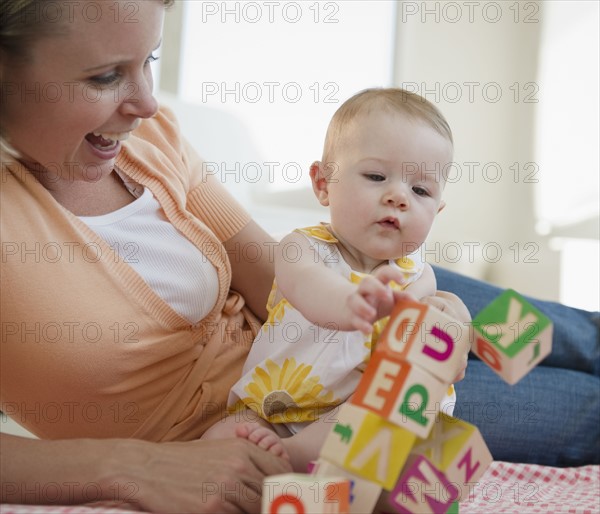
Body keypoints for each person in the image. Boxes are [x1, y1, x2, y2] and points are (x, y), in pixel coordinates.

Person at [0, 1, 472, 512]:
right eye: (106, 76)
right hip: (270, 404)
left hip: (334, 327)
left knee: (535, 332)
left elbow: (273, 273)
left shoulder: (149, 138)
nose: (148, 103)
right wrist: (134, 468)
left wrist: (439, 316)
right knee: (521, 434)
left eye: (150, 59)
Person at [202, 88, 470, 472]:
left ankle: (299, 460)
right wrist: (352, 302)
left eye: (421, 190)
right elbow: (311, 288)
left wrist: (454, 322)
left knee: (385, 408)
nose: (399, 196)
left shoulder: (418, 275)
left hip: (358, 414)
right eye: (377, 176)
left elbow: (426, 344)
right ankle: (297, 465)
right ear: (323, 184)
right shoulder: (302, 247)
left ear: (437, 209)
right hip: (275, 410)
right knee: (219, 440)